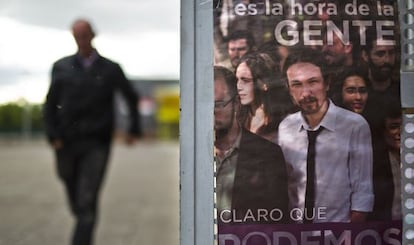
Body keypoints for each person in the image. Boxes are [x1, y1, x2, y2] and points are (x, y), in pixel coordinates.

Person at [43, 19, 142, 245]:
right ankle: (85, 222)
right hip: (66, 142)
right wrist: (53, 135)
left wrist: (133, 129)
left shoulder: (110, 69)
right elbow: (49, 103)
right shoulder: (61, 67)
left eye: (85, 34)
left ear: (93, 34)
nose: (82, 39)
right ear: (73, 36)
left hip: (97, 141)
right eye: (77, 35)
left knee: (87, 197)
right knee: (73, 191)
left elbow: (130, 97)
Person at [277, 49, 374, 223]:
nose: (306, 93)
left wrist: (348, 236)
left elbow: (362, 191)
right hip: (295, 233)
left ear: (327, 83)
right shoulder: (286, 127)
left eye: (313, 82)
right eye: (297, 85)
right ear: (289, 89)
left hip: (338, 232)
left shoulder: (354, 125)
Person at [214, 66, 289, 224]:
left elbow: (276, 222)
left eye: (218, 104)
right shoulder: (190, 156)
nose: (209, 112)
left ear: (236, 103)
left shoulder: (268, 155)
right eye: (201, 105)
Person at [235, 52, 294, 143]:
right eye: (236, 80)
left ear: (264, 84)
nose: (238, 87)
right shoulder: (237, 118)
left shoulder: (285, 122)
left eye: (246, 81)